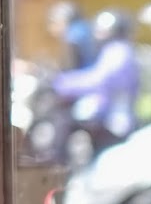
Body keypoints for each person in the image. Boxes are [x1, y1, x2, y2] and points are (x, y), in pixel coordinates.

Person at [51, 9, 142, 155]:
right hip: (106, 115)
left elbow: (99, 80)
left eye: (103, 31)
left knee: (64, 123)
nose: (98, 34)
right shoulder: (113, 50)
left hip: (115, 121)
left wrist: (62, 83)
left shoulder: (120, 52)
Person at [46, 0, 97, 70]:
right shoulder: (85, 27)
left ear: (62, 20)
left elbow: (70, 67)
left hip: (85, 73)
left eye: (53, 23)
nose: (50, 29)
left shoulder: (72, 36)